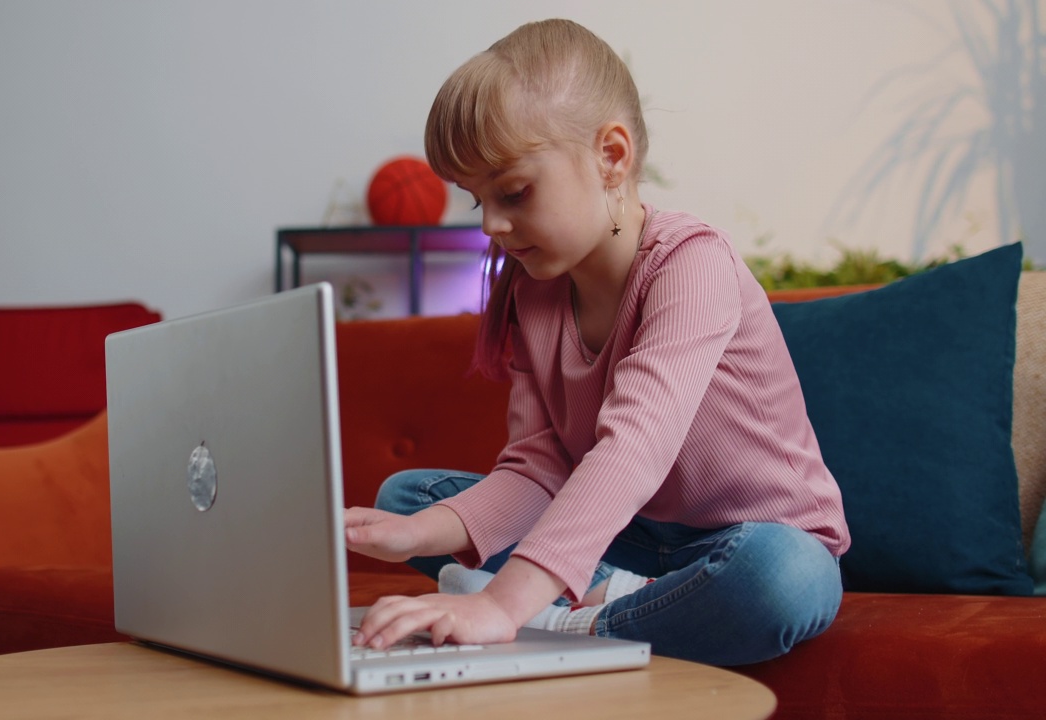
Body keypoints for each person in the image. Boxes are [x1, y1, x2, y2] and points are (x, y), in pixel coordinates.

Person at [343, 18, 850, 667]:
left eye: (514, 192)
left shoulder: (692, 266)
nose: (494, 225)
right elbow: (537, 468)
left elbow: (635, 445)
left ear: (612, 156)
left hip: (754, 540)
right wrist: (416, 533)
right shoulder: (534, 291)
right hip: (628, 541)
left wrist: (502, 604)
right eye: (478, 202)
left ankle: (560, 624)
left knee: (776, 579)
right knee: (407, 499)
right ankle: (610, 598)